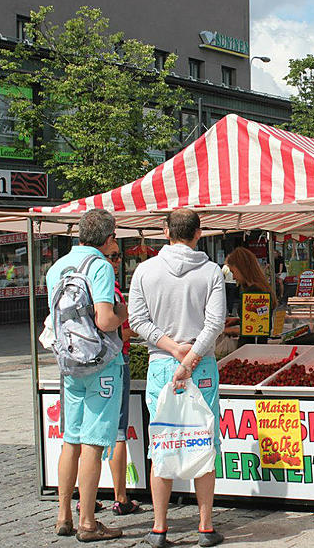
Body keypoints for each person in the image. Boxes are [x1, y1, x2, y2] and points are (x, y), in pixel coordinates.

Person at [128, 209, 226, 548]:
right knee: (204, 441)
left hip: (161, 365)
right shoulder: (211, 271)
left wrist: (171, 348)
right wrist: (190, 357)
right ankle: (205, 525)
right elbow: (215, 324)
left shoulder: (144, 271)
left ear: (165, 231)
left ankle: (159, 527)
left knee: (163, 442)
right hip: (201, 367)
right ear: (199, 233)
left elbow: (137, 320)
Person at [45, 209, 126, 542]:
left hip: (69, 363)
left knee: (71, 441)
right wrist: (124, 312)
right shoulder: (100, 267)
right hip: (101, 365)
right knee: (93, 444)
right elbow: (106, 320)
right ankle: (89, 522)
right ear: (108, 239)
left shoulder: (56, 268)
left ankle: (64, 515)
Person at [105, 241, 141, 517]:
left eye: (119, 256)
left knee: (85, 435)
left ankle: (87, 497)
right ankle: (120, 496)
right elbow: (123, 333)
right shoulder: (111, 290)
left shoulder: (84, 285)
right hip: (115, 362)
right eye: (114, 256)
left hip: (85, 366)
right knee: (118, 432)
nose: (118, 262)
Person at [224, 247, 277, 347]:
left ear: (241, 268)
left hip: (251, 348)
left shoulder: (254, 291)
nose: (234, 277)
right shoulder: (260, 288)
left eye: (233, 272)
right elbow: (259, 316)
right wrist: (238, 320)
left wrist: (228, 331)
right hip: (257, 347)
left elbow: (256, 328)